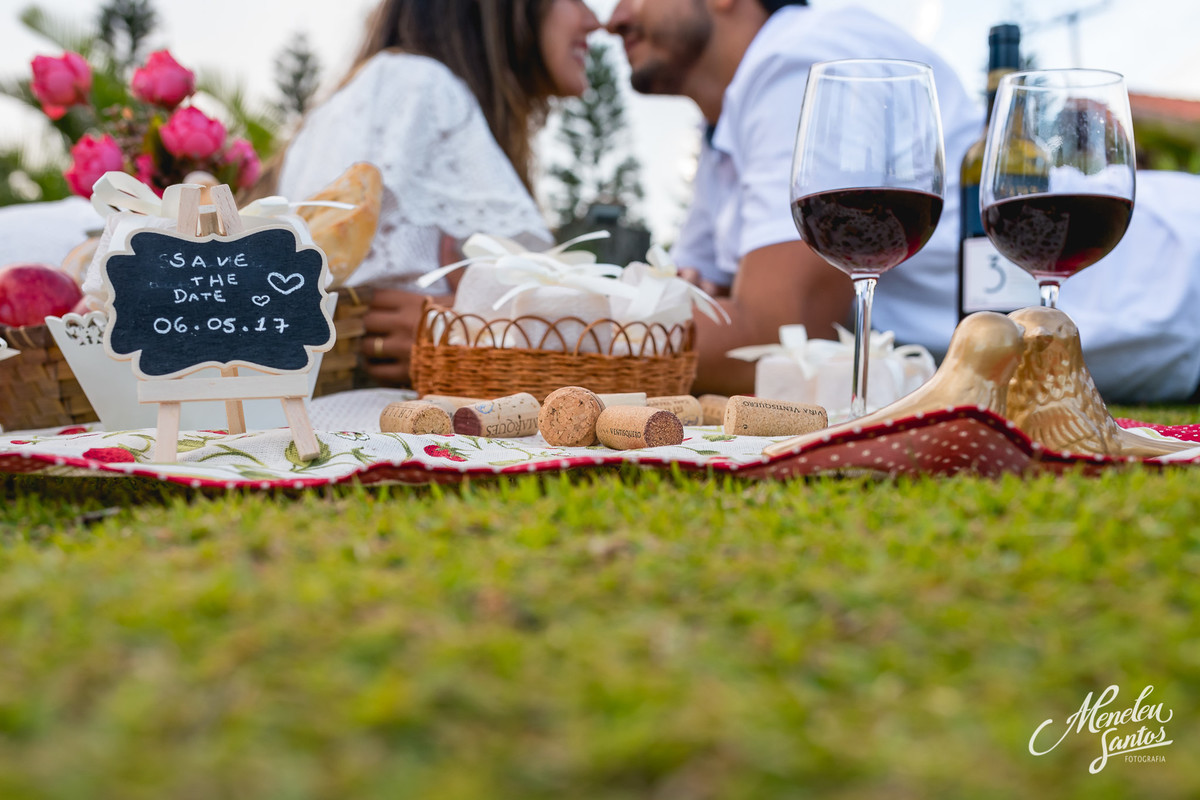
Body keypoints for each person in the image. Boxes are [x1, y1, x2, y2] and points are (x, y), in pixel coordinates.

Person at [607, 0, 1200, 403]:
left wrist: (555, 322)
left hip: (1181, 282)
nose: (615, 17)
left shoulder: (800, 57)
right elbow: (697, 302)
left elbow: (772, 336)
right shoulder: (722, 136)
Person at [273, 0, 601, 386]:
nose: (595, 20)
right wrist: (472, 329)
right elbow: (362, 305)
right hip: (387, 421)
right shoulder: (417, 88)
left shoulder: (385, 91)